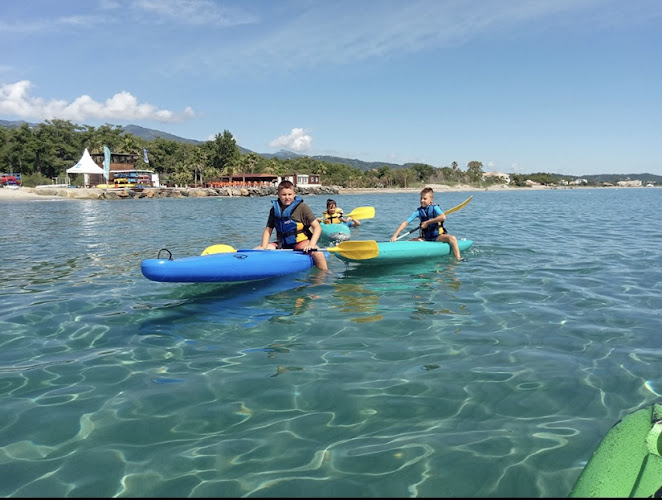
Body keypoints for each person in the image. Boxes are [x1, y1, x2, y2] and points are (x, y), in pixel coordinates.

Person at [256, 180, 328, 270]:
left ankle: (324, 273)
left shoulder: (302, 207)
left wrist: (312, 244)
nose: (287, 197)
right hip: (282, 244)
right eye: (284, 195)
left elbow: (317, 227)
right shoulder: (274, 209)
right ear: (278, 195)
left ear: (294, 194)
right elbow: (268, 230)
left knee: (316, 252)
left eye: (289, 194)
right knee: (257, 250)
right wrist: (263, 246)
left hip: (300, 243)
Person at [390, 187, 463, 260]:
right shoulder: (418, 211)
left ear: (431, 199)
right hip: (425, 238)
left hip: (437, 237)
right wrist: (395, 235)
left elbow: (443, 217)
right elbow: (405, 223)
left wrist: (427, 222)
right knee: (409, 241)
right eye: (421, 198)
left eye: (425, 199)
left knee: (452, 238)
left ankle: (458, 259)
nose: (422, 200)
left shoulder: (435, 208)